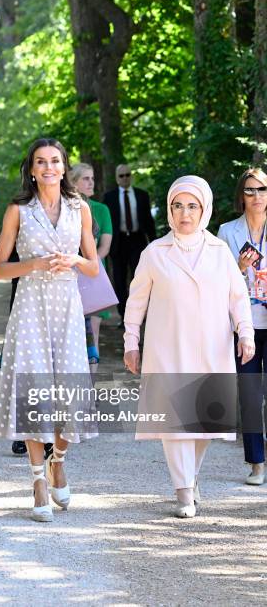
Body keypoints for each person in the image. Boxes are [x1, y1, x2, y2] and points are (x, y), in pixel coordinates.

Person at [124, 175, 255, 518]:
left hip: (213, 345)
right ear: (169, 210)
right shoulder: (154, 252)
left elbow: (237, 298)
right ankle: (183, 490)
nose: (185, 213)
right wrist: (130, 342)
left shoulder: (220, 251)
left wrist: (246, 334)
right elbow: (136, 303)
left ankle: (192, 476)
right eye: (177, 206)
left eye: (192, 206)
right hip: (167, 347)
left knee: (205, 422)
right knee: (174, 420)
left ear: (204, 209)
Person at [0, 137, 98, 522]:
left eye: (55, 161)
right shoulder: (18, 210)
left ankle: (59, 462)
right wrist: (34, 265)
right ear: (32, 169)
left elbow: (93, 268)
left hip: (68, 309)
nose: (49, 167)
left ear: (64, 167)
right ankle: (37, 479)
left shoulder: (79, 208)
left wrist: (74, 259)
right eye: (41, 162)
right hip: (32, 307)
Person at [218, 167, 267, 486]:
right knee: (249, 394)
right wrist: (239, 266)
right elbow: (218, 280)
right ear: (241, 195)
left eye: (262, 190)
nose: (257, 196)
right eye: (250, 190)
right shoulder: (227, 231)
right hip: (244, 324)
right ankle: (256, 463)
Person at [71, 163, 113, 371]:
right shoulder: (63, 208)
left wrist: (88, 262)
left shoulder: (101, 209)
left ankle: (90, 391)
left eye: (92, 178)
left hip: (93, 276)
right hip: (66, 276)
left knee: (92, 334)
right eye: (85, 178)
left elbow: (105, 245)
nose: (91, 182)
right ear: (73, 182)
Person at [104, 164, 156, 324]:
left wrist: (154, 243)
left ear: (131, 176)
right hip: (118, 243)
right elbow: (107, 223)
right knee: (119, 280)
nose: (125, 178)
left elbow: (148, 220)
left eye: (127, 175)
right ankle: (123, 315)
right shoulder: (109, 197)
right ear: (116, 178)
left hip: (137, 240)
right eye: (121, 176)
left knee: (139, 278)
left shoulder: (142, 195)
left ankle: (139, 315)